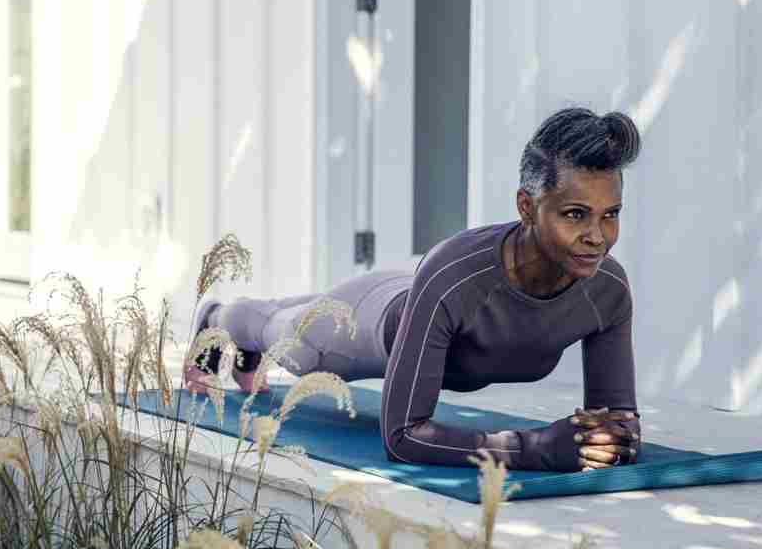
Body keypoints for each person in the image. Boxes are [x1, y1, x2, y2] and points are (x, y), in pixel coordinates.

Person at [184, 107, 642, 473]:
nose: (597, 236)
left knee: (302, 309)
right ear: (527, 206)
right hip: (370, 320)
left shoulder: (607, 291)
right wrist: (536, 448)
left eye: (611, 214)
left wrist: (611, 437)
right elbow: (403, 437)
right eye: (575, 214)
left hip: (427, 284)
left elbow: (620, 423)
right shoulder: (455, 278)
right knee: (286, 336)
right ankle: (217, 317)